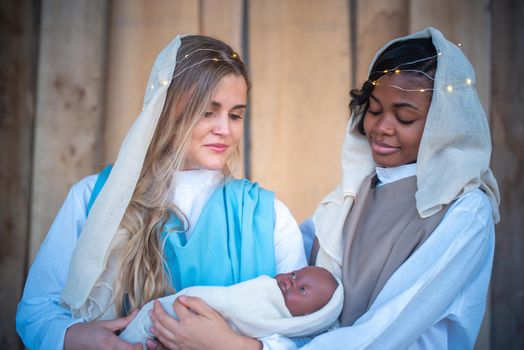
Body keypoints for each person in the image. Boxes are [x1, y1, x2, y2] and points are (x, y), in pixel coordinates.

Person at [144, 27, 500, 350]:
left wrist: (240, 348)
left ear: (445, 125)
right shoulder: (353, 196)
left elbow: (388, 329)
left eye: (404, 117)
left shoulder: (465, 211)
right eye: (374, 110)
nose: (382, 128)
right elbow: (290, 268)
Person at [16, 34, 307, 350]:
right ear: (165, 108)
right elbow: (36, 311)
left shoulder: (270, 216)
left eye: (235, 115)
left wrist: (231, 345)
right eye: (208, 112)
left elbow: (307, 334)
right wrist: (72, 336)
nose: (225, 129)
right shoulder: (93, 198)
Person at [119, 266, 342, 348]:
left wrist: (226, 342)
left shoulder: (284, 335)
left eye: (302, 290)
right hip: (172, 316)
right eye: (294, 274)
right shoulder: (263, 286)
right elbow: (229, 300)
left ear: (308, 316)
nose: (290, 282)